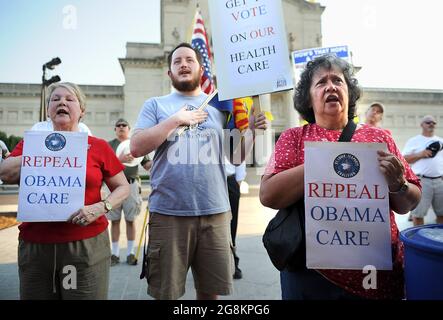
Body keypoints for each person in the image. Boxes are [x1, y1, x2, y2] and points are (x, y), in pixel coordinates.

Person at [259, 54, 421, 300]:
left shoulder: (379, 139)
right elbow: (269, 195)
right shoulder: (294, 138)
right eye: (321, 82)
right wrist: (324, 160)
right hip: (310, 274)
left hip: (374, 274)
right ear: (308, 97)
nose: (331, 86)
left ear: (349, 92)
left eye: (338, 80)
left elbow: (408, 202)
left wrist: (398, 184)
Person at [130, 42, 267, 300]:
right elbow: (136, 147)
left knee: (210, 293)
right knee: (166, 292)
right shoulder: (155, 105)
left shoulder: (218, 108)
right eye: (177, 61)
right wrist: (175, 120)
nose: (183, 64)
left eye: (189, 60)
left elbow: (235, 157)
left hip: (214, 212)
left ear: (200, 69)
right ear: (169, 73)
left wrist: (252, 132)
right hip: (169, 213)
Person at [0, 82, 130, 299]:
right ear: (49, 110)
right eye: (55, 99)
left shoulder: (97, 146)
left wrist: (101, 207)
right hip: (36, 246)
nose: (62, 102)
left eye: (70, 99)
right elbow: (5, 173)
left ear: (82, 110)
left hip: (85, 245)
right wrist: (45, 151)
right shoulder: (31, 143)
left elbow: (123, 187)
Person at [107, 118, 152, 266]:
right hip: (112, 186)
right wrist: (119, 160)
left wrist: (160, 157)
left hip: (132, 185)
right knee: (114, 220)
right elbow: (104, 166)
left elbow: (147, 165)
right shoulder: (108, 145)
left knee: (130, 219)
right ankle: (114, 253)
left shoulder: (135, 144)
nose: (121, 127)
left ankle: (131, 253)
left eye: (124, 125)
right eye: (118, 125)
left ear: (129, 128)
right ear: (115, 129)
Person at [403, 115, 443, 226]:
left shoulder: (441, 141)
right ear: (421, 125)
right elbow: (404, 159)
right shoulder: (414, 141)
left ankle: (439, 241)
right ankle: (419, 241)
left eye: (433, 122)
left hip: (440, 181)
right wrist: (421, 154)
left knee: (442, 214)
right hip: (422, 181)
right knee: (418, 215)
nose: (431, 124)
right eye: (428, 122)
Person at [225, 158, 247, 279]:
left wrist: (238, 181)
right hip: (208, 182)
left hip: (229, 180)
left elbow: (239, 155)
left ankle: (232, 262)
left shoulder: (233, 137)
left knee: (231, 224)